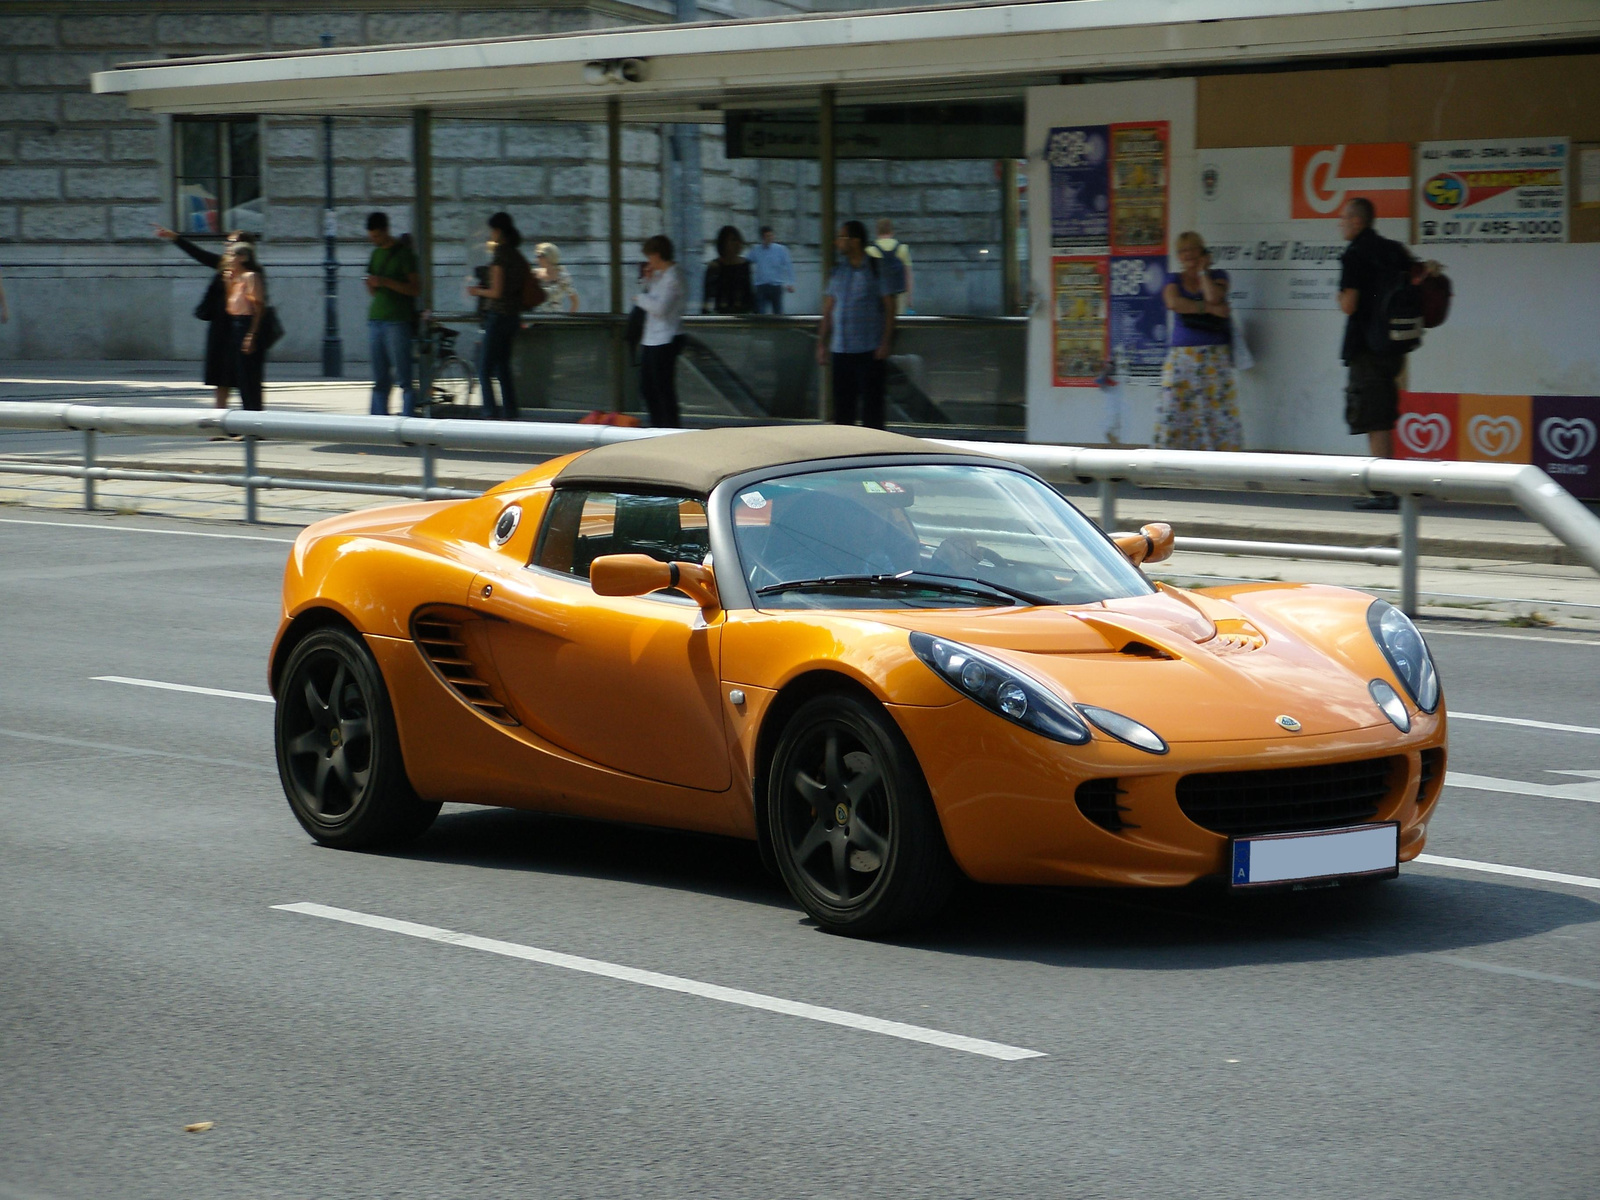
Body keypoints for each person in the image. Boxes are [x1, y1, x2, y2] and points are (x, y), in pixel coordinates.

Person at [1339, 195, 1413, 509]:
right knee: (1382, 415)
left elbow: (1349, 304)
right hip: (1396, 346)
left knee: (1375, 420)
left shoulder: (1355, 254)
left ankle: (1384, 492)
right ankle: (1386, 488)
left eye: (1344, 218)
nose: (1340, 224)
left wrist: (1343, 297)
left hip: (1367, 347)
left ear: (1358, 220)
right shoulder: (1394, 250)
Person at [1154, 231, 1241, 452]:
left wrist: (1203, 271)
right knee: (1173, 406)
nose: (1188, 255)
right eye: (1183, 251)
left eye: (1192, 249)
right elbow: (1174, 303)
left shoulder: (1218, 275)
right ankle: (1167, 458)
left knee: (1216, 410)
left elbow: (1214, 296)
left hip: (1214, 355)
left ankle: (1221, 461)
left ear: (1202, 250)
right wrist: (1209, 309)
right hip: (1182, 356)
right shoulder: (1173, 279)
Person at [154, 225, 255, 409]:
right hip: (219, 327)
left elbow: (257, 304)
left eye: (231, 242)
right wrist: (175, 237)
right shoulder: (223, 265)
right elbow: (199, 254)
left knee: (243, 379)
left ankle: (249, 425)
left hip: (240, 328)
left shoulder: (252, 273)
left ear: (243, 248)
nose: (226, 244)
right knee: (220, 377)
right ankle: (220, 423)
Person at [817, 220, 896, 429]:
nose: (838, 242)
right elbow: (828, 310)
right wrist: (822, 343)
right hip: (841, 351)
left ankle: (876, 455)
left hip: (869, 351)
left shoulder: (876, 268)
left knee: (872, 412)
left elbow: (890, 307)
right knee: (843, 413)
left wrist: (886, 342)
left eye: (842, 237)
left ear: (856, 241)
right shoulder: (838, 272)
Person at [467, 211, 532, 420]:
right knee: (503, 367)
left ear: (499, 231)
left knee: (484, 367)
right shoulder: (516, 255)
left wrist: (477, 291)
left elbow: (496, 292)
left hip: (498, 316)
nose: (490, 234)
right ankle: (511, 411)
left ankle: (490, 412)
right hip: (513, 317)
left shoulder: (500, 256)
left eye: (492, 230)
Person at [364, 212, 421, 417]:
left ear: (386, 230)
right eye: (372, 237)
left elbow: (415, 289)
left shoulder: (404, 254)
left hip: (397, 320)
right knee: (380, 377)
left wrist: (386, 282)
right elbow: (373, 290)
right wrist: (371, 285)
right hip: (376, 319)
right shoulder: (375, 254)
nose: (375, 241)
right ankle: (378, 422)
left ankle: (408, 419)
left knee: (403, 376)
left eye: (377, 236)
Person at [635, 234, 686, 427]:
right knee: (647, 388)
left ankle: (669, 427)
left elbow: (660, 309)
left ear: (657, 255)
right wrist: (646, 281)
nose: (648, 261)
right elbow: (651, 294)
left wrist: (639, 299)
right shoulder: (659, 275)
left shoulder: (674, 276)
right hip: (651, 338)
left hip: (666, 338)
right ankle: (657, 425)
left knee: (663, 388)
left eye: (650, 256)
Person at [223, 242, 266, 412]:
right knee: (241, 378)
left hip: (247, 325)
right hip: (235, 325)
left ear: (243, 257)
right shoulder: (236, 279)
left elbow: (259, 308)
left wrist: (251, 335)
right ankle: (249, 421)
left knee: (249, 378)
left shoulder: (251, 277)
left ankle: (254, 422)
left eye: (233, 255)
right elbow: (229, 307)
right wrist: (228, 283)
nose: (229, 259)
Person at [702, 225, 754, 315]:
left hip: (742, 315)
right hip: (721, 315)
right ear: (723, 243)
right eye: (733, 240)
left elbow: (749, 295)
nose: (737, 244)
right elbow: (708, 297)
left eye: (738, 240)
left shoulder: (745, 265)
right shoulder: (715, 267)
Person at [866, 218, 913, 314]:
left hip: (879, 295)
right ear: (892, 231)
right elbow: (908, 276)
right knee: (900, 324)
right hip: (899, 293)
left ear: (877, 231)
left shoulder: (870, 250)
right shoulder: (903, 249)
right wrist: (909, 298)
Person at [747, 226, 794, 314]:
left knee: (778, 312)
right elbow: (747, 261)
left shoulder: (780, 250)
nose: (770, 238)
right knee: (760, 312)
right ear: (762, 237)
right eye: (767, 236)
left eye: (771, 236)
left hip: (775, 285)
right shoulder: (756, 250)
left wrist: (790, 283)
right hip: (761, 285)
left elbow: (788, 266)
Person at [533, 242, 579, 313]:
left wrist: (568, 321)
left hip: (555, 318)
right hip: (536, 318)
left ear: (548, 257)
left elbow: (575, 301)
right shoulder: (534, 274)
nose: (536, 260)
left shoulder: (562, 277)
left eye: (539, 256)